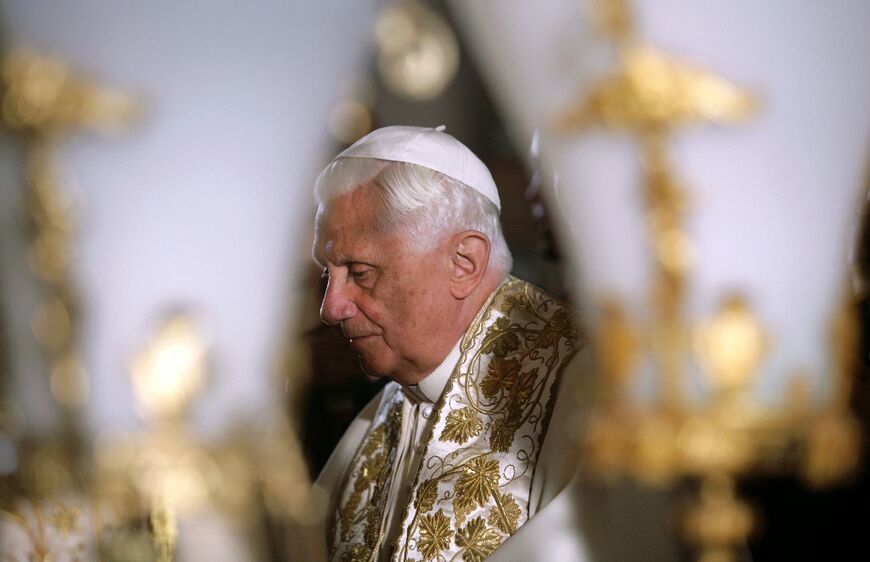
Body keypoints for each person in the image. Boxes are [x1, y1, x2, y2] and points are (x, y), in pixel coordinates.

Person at [304, 125, 588, 561]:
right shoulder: (387, 405)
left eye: (360, 272)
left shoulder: (581, 387)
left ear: (464, 263)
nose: (332, 307)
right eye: (329, 274)